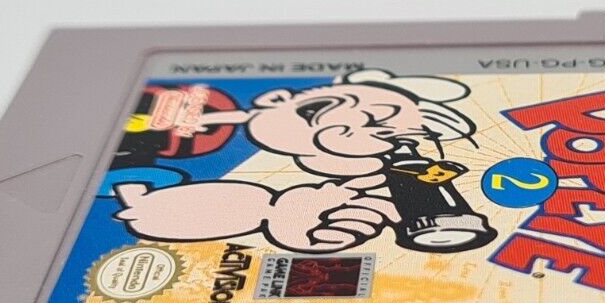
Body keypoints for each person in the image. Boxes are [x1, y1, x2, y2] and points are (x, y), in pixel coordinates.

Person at [112, 69, 477, 252]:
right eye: (322, 109)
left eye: (383, 135)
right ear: (275, 99)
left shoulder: (380, 181)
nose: (352, 123)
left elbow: (148, 210)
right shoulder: (198, 94)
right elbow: (142, 211)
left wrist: (286, 220)